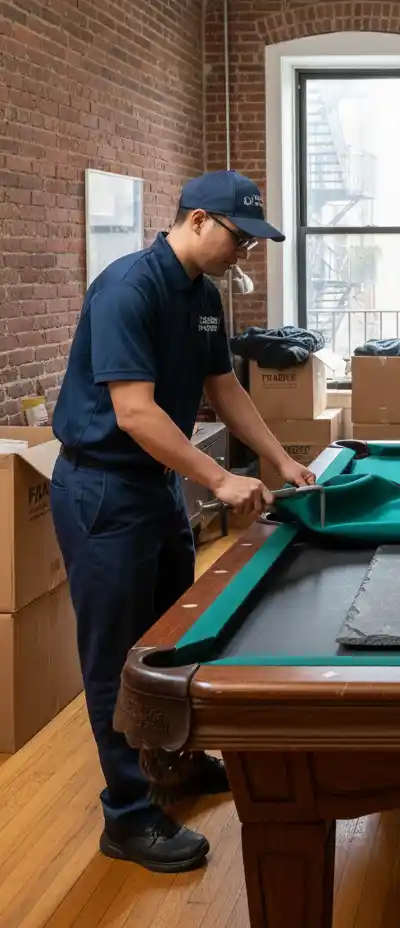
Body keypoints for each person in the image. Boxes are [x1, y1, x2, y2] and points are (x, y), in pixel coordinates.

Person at [50, 170, 318, 872]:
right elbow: (134, 411)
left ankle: (178, 765)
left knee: (176, 637)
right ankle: (129, 815)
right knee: (118, 657)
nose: (245, 254)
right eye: (240, 238)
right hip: (104, 491)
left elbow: (223, 386)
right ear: (198, 220)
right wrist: (221, 478)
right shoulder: (127, 288)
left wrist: (278, 460)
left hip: (156, 489)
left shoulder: (203, 298)